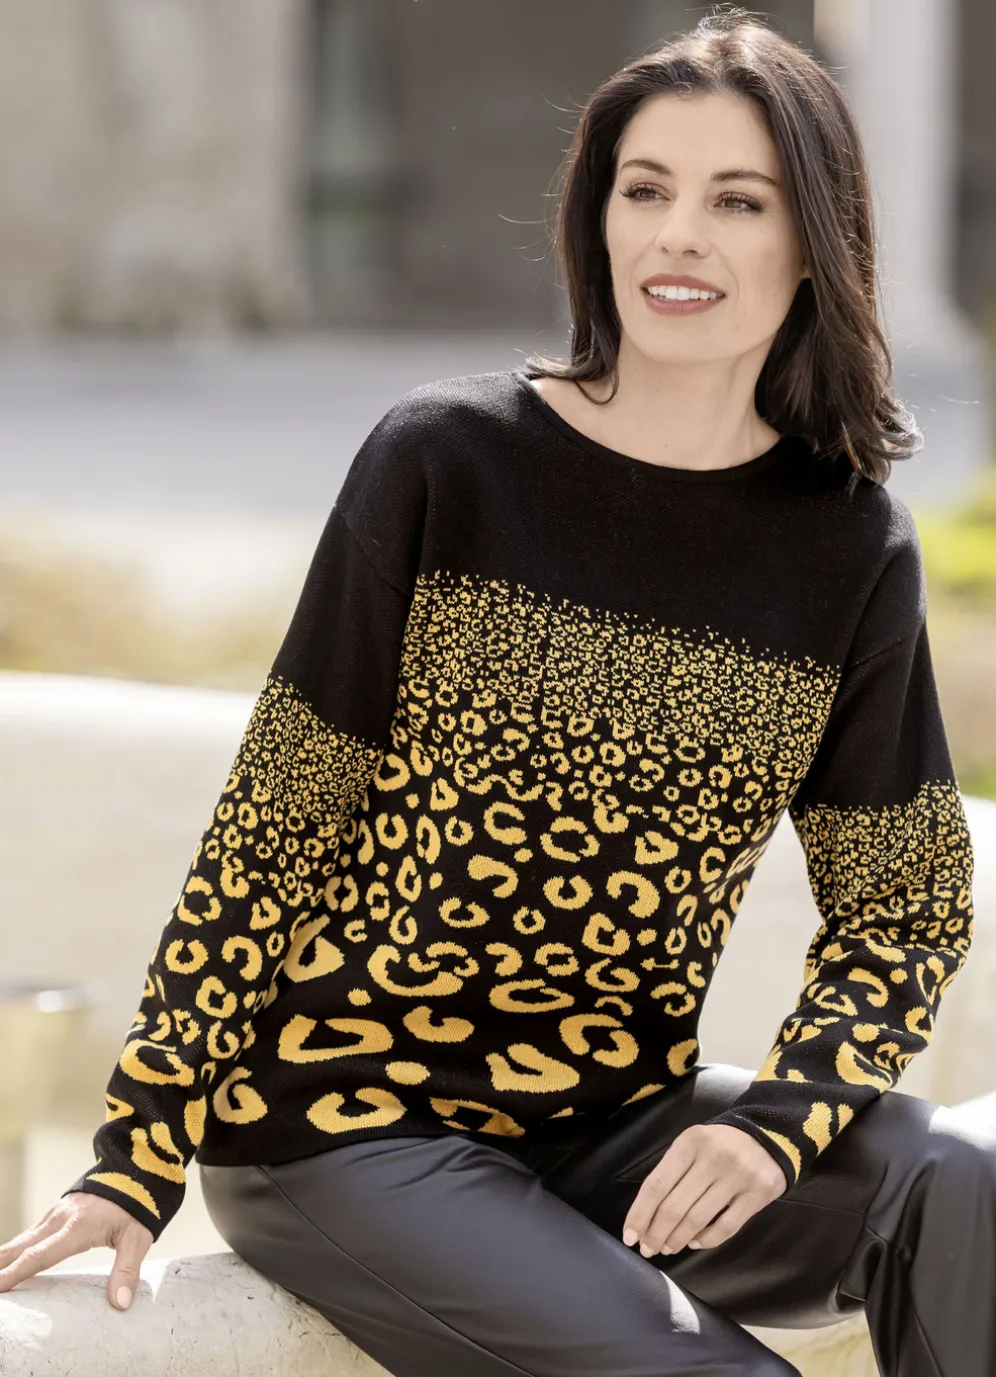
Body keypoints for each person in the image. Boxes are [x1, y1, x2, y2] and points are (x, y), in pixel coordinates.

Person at [0, 7, 988, 1375]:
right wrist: (136, 1150)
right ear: (597, 218)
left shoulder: (846, 544)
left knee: (960, 1182)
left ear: (814, 240)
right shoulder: (448, 461)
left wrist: (777, 1125)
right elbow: (277, 824)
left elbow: (905, 903)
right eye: (644, 191)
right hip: (344, 1127)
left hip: (611, 1125)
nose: (677, 237)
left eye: (736, 201)